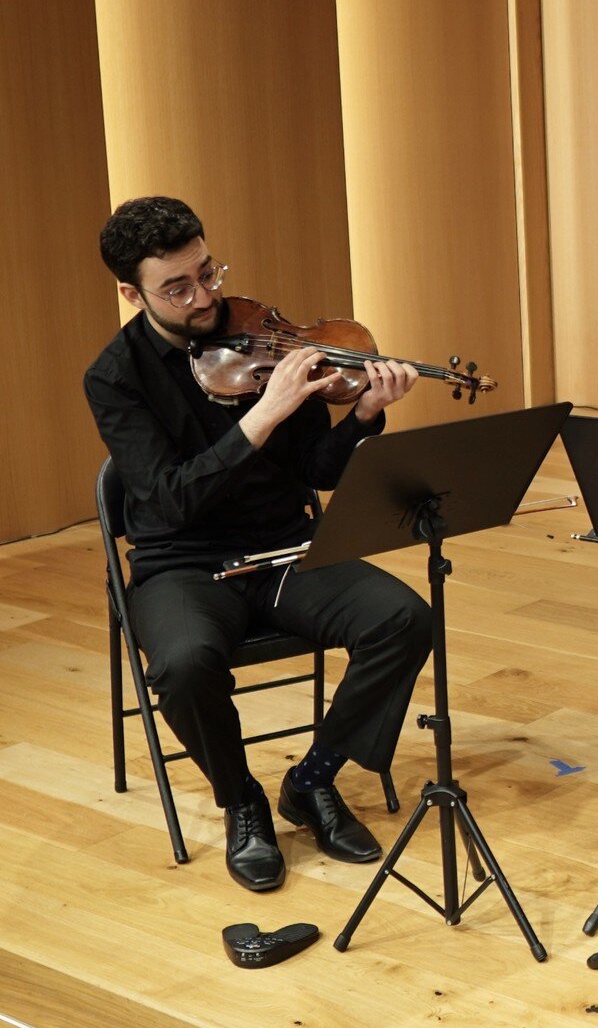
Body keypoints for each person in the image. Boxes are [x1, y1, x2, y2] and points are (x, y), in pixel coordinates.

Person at [85, 196, 433, 892]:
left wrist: (364, 415)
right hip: (181, 565)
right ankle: (241, 798)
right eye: (177, 288)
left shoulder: (259, 337)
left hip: (284, 548)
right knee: (183, 665)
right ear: (132, 293)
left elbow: (318, 472)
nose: (204, 297)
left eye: (208, 273)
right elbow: (169, 499)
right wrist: (262, 418)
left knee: (405, 618)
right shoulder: (115, 379)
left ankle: (312, 778)